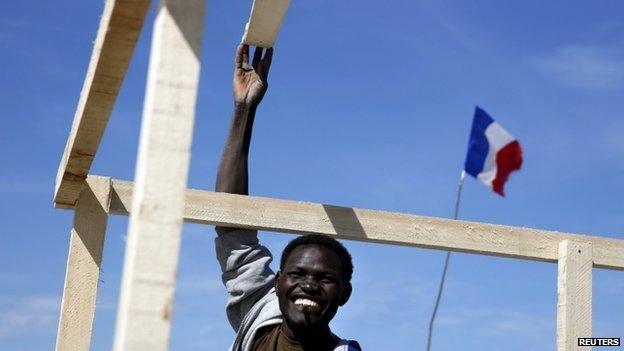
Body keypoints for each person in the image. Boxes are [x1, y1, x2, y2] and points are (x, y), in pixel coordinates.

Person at [214, 44, 362, 351]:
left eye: (324, 279)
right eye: (297, 274)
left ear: (345, 293)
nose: (308, 285)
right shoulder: (260, 312)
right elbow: (230, 222)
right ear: (278, 282)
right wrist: (244, 108)